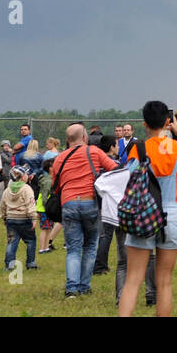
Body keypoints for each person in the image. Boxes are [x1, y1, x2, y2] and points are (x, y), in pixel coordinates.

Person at [119, 101, 177, 317]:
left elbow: (130, 174)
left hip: (143, 212)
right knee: (164, 283)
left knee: (133, 280)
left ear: (144, 124)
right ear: (167, 122)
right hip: (171, 213)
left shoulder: (137, 148)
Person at [47, 123, 117, 297]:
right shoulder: (94, 152)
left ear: (67, 140)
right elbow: (115, 170)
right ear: (84, 138)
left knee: (73, 248)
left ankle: (71, 288)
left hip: (69, 203)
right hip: (89, 202)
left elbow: (55, 186)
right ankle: (84, 286)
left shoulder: (60, 158)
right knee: (90, 246)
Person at [93, 133, 155, 307]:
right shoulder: (149, 170)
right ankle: (152, 294)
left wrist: (109, 200)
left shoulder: (122, 170)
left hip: (121, 217)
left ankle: (121, 297)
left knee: (123, 261)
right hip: (144, 217)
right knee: (149, 256)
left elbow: (99, 184)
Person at [0, 164, 38, 272]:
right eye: (26, 174)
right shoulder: (27, 189)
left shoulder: (7, 190)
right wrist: (34, 218)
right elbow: (30, 203)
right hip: (25, 219)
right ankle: (31, 263)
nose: (27, 175)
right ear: (22, 177)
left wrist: (4, 217)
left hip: (11, 220)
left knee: (12, 242)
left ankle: (9, 265)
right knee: (30, 241)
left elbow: (3, 205)